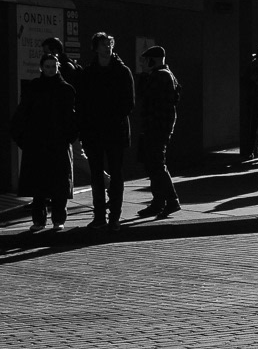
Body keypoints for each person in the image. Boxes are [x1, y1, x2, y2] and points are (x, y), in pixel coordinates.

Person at [13, 51, 78, 231]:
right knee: (39, 185)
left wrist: (68, 137)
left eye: (53, 66)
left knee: (57, 183)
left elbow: (71, 118)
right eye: (47, 66)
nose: (50, 69)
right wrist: (23, 138)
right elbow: (23, 114)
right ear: (41, 67)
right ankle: (39, 220)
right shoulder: (35, 88)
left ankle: (58, 219)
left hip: (56, 142)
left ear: (58, 67)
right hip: (38, 142)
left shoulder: (65, 89)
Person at [76, 33, 134, 231]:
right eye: (103, 44)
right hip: (94, 133)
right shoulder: (89, 73)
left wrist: (108, 117)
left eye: (109, 44)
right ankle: (99, 216)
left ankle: (114, 217)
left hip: (114, 132)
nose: (107, 47)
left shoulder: (122, 71)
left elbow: (129, 103)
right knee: (96, 177)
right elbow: (82, 104)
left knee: (116, 174)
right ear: (96, 48)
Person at [135, 46, 181, 217]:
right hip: (158, 126)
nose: (143, 64)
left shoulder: (160, 76)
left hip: (156, 127)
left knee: (156, 164)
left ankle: (170, 200)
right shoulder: (166, 75)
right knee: (153, 164)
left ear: (152, 60)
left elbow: (143, 95)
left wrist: (145, 75)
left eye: (146, 60)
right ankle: (160, 201)